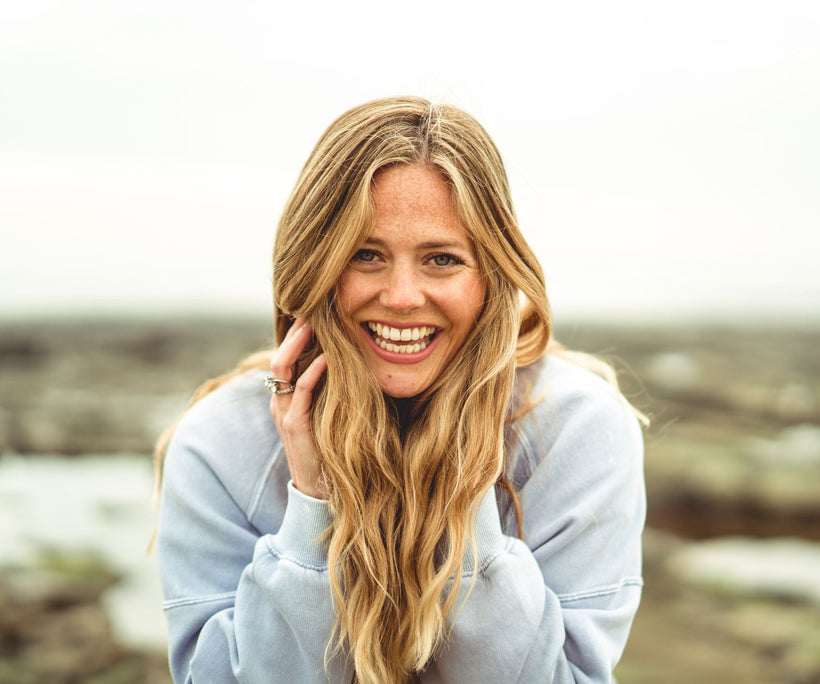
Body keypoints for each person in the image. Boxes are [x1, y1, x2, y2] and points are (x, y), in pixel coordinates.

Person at [155, 96, 646, 683]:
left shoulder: (580, 430)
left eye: (441, 259)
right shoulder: (216, 445)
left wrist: (462, 478)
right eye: (365, 255)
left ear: (491, 274)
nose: (403, 296)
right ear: (314, 262)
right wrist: (314, 501)